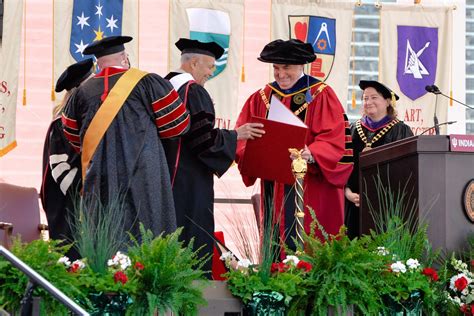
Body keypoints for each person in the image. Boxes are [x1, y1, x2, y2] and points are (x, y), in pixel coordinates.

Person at [62, 36, 190, 240]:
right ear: (124, 57)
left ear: (98, 62)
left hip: (100, 177)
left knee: (104, 234)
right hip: (144, 173)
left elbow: (72, 136)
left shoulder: (81, 93)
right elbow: (177, 124)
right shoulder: (147, 82)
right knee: (148, 233)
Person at [235, 39, 353, 251]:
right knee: (275, 242)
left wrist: (313, 153)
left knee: (308, 241)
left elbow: (335, 138)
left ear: (301, 66)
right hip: (274, 183)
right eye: (276, 68)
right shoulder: (262, 97)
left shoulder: (321, 94)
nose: (280, 74)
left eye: (286, 67)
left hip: (310, 184)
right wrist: (250, 152)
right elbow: (244, 136)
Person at [163, 38, 264, 276]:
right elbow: (203, 142)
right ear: (194, 63)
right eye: (210, 67)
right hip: (189, 182)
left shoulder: (162, 87)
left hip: (164, 177)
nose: (211, 73)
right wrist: (235, 135)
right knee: (191, 239)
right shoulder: (193, 91)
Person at [345, 80, 413, 239]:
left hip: (387, 208)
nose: (368, 102)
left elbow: (407, 172)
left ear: (388, 101)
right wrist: (347, 191)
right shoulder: (353, 129)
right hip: (355, 204)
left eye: (373, 97)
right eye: (365, 98)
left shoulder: (401, 131)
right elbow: (344, 164)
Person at [40, 58, 93, 259]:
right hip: (68, 205)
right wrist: (88, 189)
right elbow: (60, 169)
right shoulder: (61, 124)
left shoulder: (85, 120)